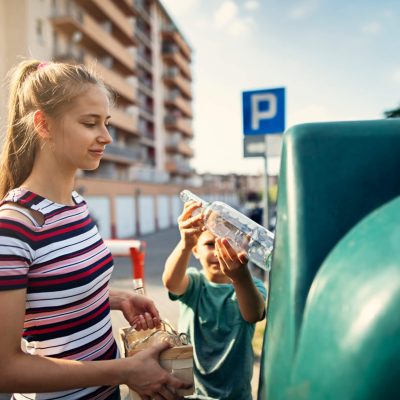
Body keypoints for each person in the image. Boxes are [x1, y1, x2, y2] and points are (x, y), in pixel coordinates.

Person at [0, 59, 189, 400]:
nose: (106, 137)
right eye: (90, 123)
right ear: (43, 124)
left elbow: (53, 293)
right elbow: (6, 370)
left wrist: (115, 299)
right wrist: (125, 371)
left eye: (106, 122)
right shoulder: (13, 227)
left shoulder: (77, 205)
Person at [162, 201, 267, 400]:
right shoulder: (195, 284)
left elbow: (253, 314)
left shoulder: (251, 286)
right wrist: (184, 243)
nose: (219, 252)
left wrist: (241, 277)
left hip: (236, 395)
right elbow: (171, 282)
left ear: (243, 248)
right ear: (196, 250)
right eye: (211, 244)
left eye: (229, 243)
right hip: (192, 393)